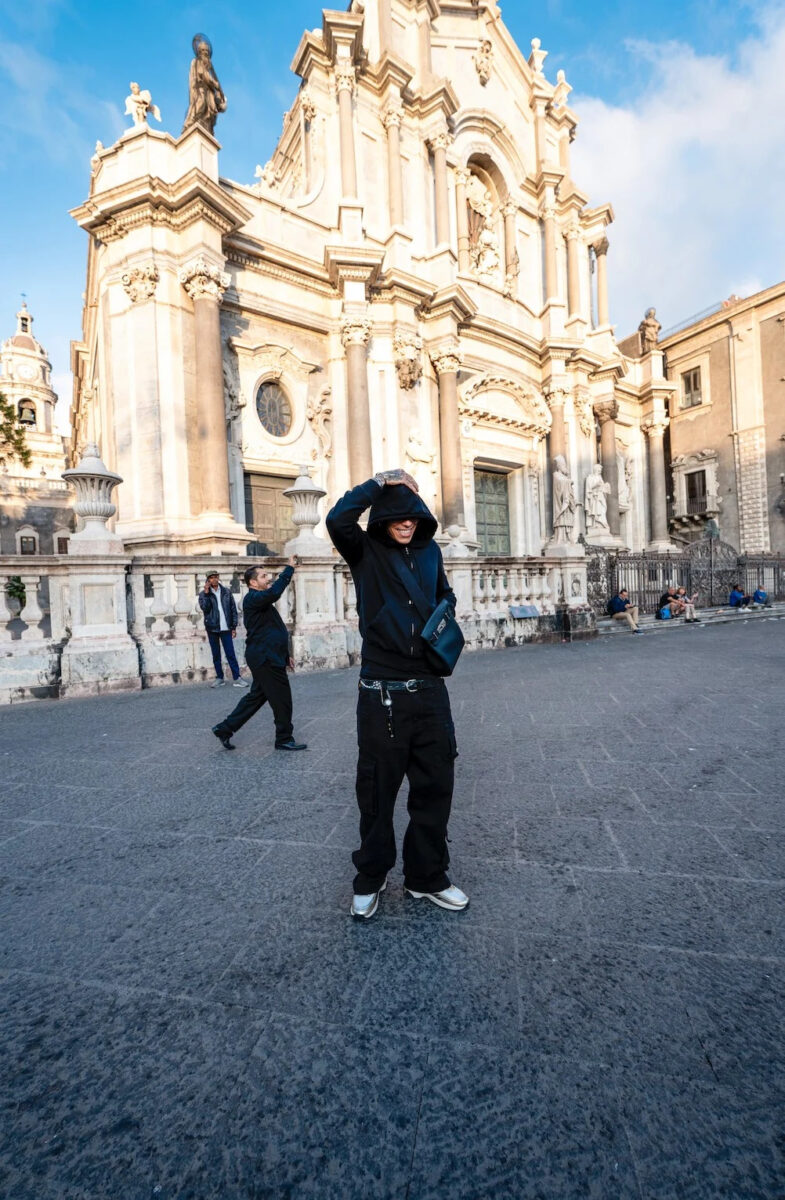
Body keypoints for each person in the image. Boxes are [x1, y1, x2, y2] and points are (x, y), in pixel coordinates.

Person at [326, 468, 468, 920]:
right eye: (398, 515)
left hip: (430, 690)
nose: (407, 523)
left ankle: (427, 878)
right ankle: (371, 876)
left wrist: (440, 621)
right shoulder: (364, 550)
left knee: (435, 788)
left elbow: (446, 596)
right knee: (376, 792)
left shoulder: (430, 554)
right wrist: (379, 484)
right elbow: (337, 519)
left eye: (414, 515)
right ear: (385, 516)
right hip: (381, 693)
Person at [211, 558, 307, 752]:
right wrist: (289, 569)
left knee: (255, 698)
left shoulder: (260, 601)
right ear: (253, 583)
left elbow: (274, 629)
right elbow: (275, 593)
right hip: (265, 658)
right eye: (263, 576)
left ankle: (225, 728)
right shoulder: (253, 598)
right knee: (282, 700)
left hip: (268, 655)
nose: (268, 578)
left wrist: (285, 654)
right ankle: (283, 738)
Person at [198, 572, 246, 687]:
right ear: (208, 580)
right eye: (211, 578)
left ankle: (237, 678)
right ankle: (220, 678)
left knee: (231, 653)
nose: (214, 580)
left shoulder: (226, 592)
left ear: (218, 578)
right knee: (216, 655)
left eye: (215, 577)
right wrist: (206, 593)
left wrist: (233, 627)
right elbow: (205, 608)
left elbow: (233, 610)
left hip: (226, 628)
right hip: (212, 628)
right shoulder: (203, 594)